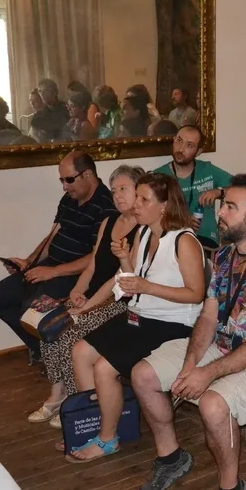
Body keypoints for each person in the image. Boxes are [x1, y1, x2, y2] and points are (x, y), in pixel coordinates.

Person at [129, 174, 246, 490]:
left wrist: (207, 374)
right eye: (224, 204)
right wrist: (190, 365)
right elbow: (207, 316)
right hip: (222, 346)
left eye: (231, 207)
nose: (220, 212)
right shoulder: (222, 256)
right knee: (143, 375)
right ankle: (171, 457)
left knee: (213, 405)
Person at [67, 173, 206, 462]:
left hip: (173, 323)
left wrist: (146, 287)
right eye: (137, 197)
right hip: (141, 314)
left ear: (164, 206)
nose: (136, 205)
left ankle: (108, 439)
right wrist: (123, 258)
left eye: (144, 200)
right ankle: (98, 424)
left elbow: (196, 294)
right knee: (80, 351)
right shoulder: (143, 233)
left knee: (104, 367)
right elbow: (132, 279)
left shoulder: (184, 241)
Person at [27, 165, 144, 427]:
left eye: (123, 189)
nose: (117, 195)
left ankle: (75, 402)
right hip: (92, 297)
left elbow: (119, 280)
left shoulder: (142, 230)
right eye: (114, 190)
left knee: (70, 334)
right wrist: (77, 291)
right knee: (49, 324)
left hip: (118, 302)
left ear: (139, 191)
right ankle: (57, 395)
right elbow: (92, 265)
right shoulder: (109, 222)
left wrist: (87, 306)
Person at [0, 151, 116, 360]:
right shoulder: (69, 199)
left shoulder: (106, 205)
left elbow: (96, 256)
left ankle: (55, 357)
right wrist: (29, 261)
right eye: (61, 180)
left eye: (69, 180)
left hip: (75, 275)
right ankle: (46, 353)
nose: (65, 187)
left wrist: (54, 272)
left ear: (88, 175)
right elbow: (53, 235)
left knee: (31, 309)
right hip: (51, 265)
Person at [152, 125, 232, 249]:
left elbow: (243, 187)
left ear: (198, 151)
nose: (181, 148)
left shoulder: (207, 169)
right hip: (171, 239)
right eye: (179, 140)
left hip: (206, 241)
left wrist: (219, 192)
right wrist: (180, 220)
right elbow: (152, 211)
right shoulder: (159, 175)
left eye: (189, 145)